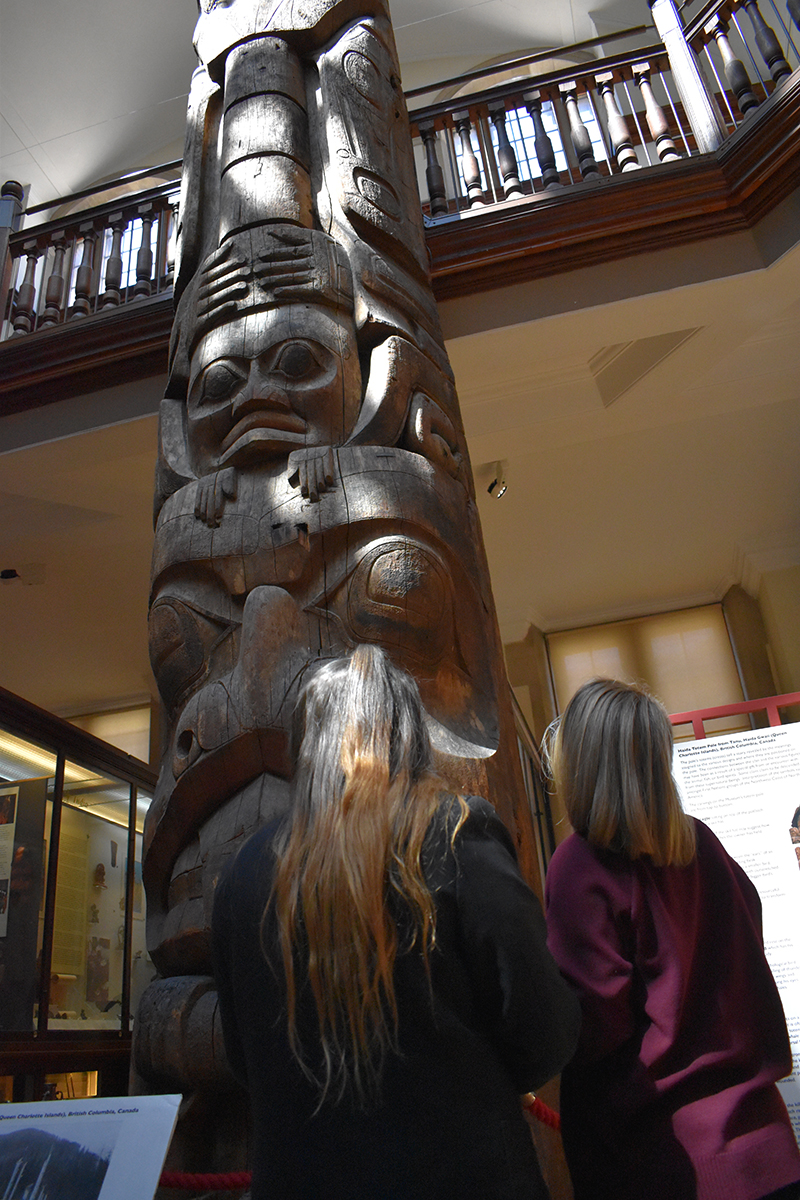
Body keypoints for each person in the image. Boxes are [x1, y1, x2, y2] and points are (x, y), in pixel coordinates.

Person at [212, 644, 580, 1200]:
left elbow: (243, 1059)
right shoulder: (458, 831)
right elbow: (543, 1030)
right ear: (411, 730)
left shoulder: (242, 873)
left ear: (306, 743)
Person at [544, 677, 800, 1200]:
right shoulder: (702, 841)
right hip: (769, 1150)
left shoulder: (579, 865)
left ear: (581, 763)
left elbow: (592, 1026)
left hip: (664, 1164)